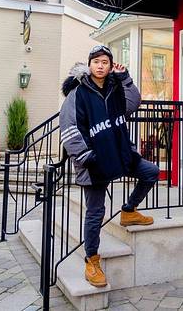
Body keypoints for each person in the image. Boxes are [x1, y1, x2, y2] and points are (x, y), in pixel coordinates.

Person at [59, 45, 160, 288]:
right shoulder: (78, 93)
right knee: (95, 212)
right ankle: (92, 260)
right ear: (89, 65)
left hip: (119, 153)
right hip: (94, 161)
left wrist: (125, 79)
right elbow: (69, 129)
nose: (100, 66)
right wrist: (86, 156)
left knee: (151, 172)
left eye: (105, 62)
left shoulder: (116, 87)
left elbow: (133, 103)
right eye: (96, 61)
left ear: (110, 65)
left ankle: (129, 210)